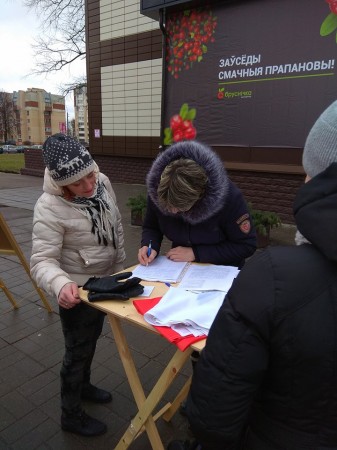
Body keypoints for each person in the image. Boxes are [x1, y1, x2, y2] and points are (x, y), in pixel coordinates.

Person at [168, 99, 337, 450]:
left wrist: (198, 252)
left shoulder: (273, 273)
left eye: (308, 170)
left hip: (218, 292)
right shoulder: (167, 192)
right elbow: (155, 223)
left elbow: (244, 246)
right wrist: (152, 244)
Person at [30, 134, 126, 437]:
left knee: (92, 340)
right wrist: (60, 286)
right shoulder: (48, 207)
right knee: (76, 352)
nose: (89, 185)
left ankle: (84, 387)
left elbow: (116, 226)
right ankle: (70, 414)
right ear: (61, 185)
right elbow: (42, 261)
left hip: (104, 283)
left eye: (91, 174)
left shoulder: (101, 181)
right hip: (76, 290)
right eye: (78, 183)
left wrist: (120, 272)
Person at [138, 140, 257, 268]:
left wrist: (196, 253)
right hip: (179, 270)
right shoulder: (160, 191)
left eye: (180, 207)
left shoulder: (229, 198)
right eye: (167, 206)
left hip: (221, 272)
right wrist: (149, 245)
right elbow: (152, 227)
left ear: (200, 195)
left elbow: (246, 245)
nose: (172, 211)